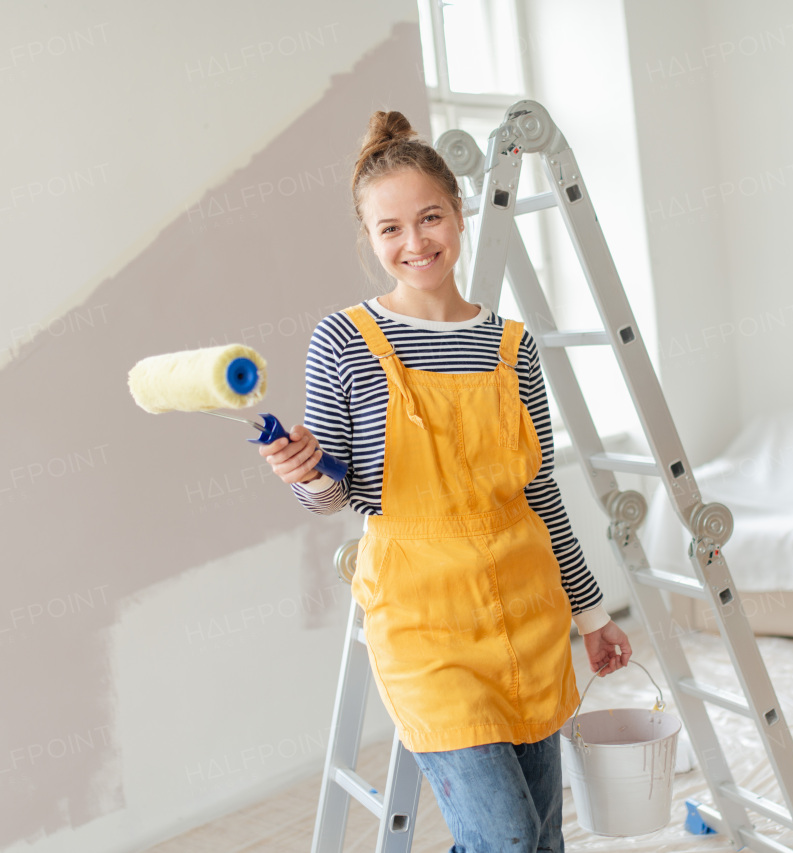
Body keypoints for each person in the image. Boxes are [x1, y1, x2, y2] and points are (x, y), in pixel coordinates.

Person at [259, 109, 632, 853]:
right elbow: (337, 494)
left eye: (429, 217)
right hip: (426, 624)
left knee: (541, 841)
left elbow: (541, 492)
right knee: (506, 839)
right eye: (390, 227)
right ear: (368, 237)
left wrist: (591, 616)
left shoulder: (511, 346)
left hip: (526, 611)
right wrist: (304, 475)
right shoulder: (344, 339)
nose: (414, 242)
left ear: (459, 216)